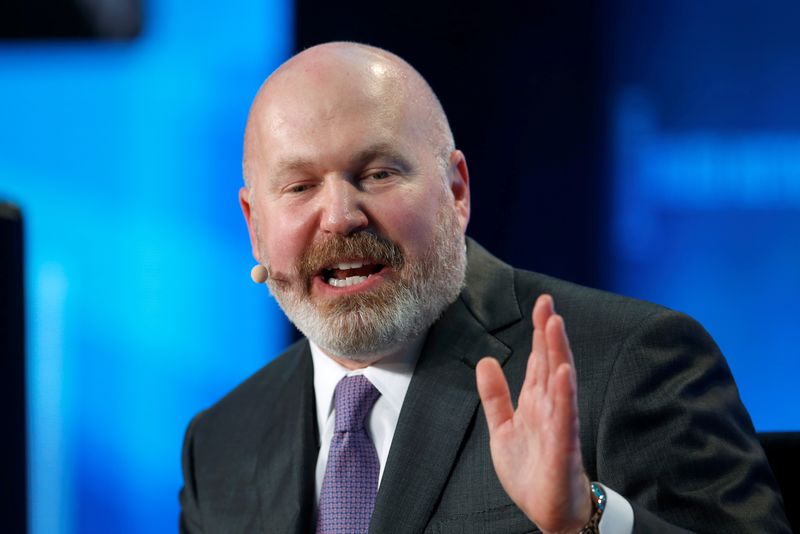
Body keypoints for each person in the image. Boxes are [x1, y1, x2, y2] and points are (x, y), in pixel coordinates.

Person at [179, 42, 790, 533]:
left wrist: (588, 519)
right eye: (300, 187)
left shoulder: (630, 361)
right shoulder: (221, 444)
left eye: (378, 172)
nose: (341, 215)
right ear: (254, 227)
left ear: (457, 191)